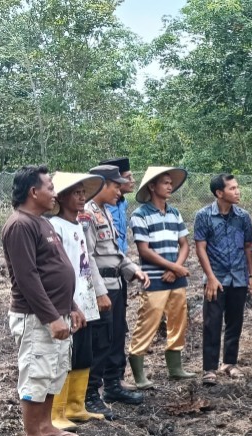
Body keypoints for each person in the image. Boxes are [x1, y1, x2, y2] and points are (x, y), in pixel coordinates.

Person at [2, 165, 86, 436]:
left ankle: (47, 426)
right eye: (50, 187)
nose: (54, 193)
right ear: (33, 191)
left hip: (57, 312)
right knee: (36, 373)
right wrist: (51, 317)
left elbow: (58, 267)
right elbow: (27, 278)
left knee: (54, 371)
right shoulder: (20, 225)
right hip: (36, 317)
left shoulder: (43, 222)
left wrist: (71, 306)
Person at [83, 165, 148, 418]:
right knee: (100, 341)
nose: (120, 190)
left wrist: (133, 269)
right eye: (116, 185)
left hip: (116, 285)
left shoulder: (105, 212)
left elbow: (113, 250)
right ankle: (91, 394)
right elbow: (87, 257)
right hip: (102, 289)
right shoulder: (87, 214)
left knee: (116, 336)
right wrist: (99, 292)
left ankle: (112, 385)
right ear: (101, 184)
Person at [128, 166, 196, 387]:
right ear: (152, 186)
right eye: (165, 183)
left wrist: (175, 268)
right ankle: (139, 374)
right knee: (148, 321)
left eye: (170, 183)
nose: (169, 186)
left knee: (178, 320)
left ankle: (175, 368)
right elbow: (144, 250)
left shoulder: (175, 213)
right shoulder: (140, 215)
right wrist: (174, 267)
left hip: (175, 276)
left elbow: (184, 244)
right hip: (153, 278)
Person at [48, 172, 106, 429]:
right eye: (76, 192)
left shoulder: (79, 225)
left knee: (84, 353)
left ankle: (76, 405)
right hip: (69, 301)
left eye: (83, 192)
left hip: (86, 296)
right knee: (66, 357)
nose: (82, 197)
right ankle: (57, 412)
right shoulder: (55, 226)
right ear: (61, 197)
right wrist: (68, 302)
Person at [194, 174, 252, 385]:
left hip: (239, 278)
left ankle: (230, 363)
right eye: (232, 188)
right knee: (212, 323)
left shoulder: (243, 217)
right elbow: (200, 248)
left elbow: (248, 247)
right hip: (216, 279)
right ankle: (209, 369)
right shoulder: (203, 216)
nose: (237, 192)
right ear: (219, 193)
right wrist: (210, 277)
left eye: (238, 187)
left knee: (235, 322)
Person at [99, 157, 137, 392]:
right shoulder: (99, 210)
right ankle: (106, 379)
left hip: (120, 270)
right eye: (126, 177)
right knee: (107, 327)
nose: (130, 181)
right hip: (104, 275)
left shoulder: (121, 204)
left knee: (119, 325)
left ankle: (116, 376)